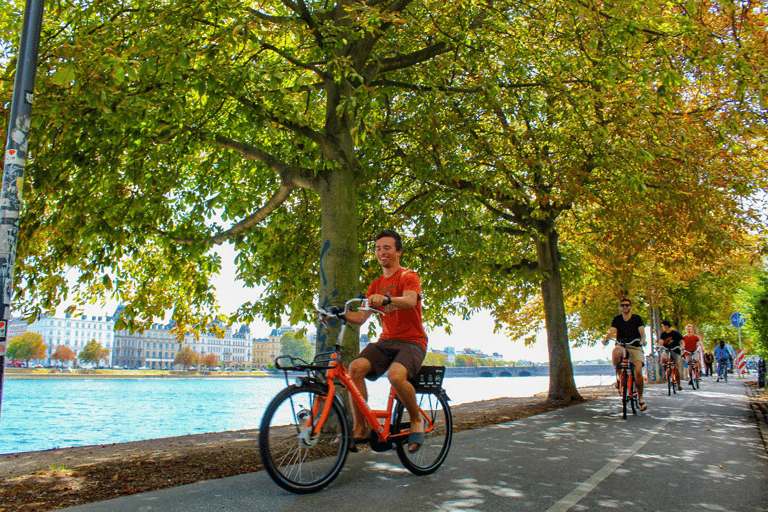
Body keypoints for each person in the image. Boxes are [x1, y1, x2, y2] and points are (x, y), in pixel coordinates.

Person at [344, 229, 428, 453]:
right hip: (386, 342)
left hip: (412, 342)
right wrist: (338, 314)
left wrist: (388, 298)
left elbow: (410, 302)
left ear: (398, 251)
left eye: (387, 248)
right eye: (378, 248)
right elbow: (360, 318)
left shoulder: (409, 276)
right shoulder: (375, 284)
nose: (382, 252)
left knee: (395, 376)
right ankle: (360, 427)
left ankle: (416, 419)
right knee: (355, 369)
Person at [603, 298, 647, 411]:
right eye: (622, 305)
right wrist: (606, 339)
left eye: (627, 305)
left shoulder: (637, 318)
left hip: (635, 345)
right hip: (622, 345)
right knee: (615, 352)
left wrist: (643, 339)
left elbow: (642, 330)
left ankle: (641, 398)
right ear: (620, 307)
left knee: (637, 372)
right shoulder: (617, 319)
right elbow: (612, 331)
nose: (625, 307)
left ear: (631, 307)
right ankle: (620, 377)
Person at [658, 320, 684, 391]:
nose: (662, 327)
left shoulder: (676, 333)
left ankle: (678, 385)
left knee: (676, 367)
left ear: (666, 326)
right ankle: (666, 372)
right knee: (663, 360)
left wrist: (682, 346)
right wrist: (658, 346)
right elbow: (661, 342)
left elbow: (682, 341)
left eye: (663, 326)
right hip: (666, 350)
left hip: (675, 350)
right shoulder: (663, 334)